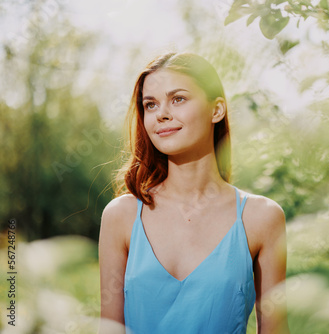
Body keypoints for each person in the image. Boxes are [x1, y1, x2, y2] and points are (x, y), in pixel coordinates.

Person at [98, 51, 289, 334]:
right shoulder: (121, 216)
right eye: (150, 105)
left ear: (217, 110)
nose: (161, 114)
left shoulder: (262, 218)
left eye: (178, 99)